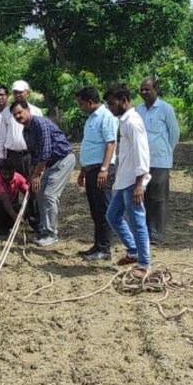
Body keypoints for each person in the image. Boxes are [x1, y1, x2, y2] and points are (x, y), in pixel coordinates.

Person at [11, 100, 76, 247]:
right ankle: (44, 229)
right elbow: (35, 154)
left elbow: (45, 152)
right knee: (39, 194)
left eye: (20, 112)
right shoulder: (25, 131)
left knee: (49, 195)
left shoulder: (40, 124)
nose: (18, 116)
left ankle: (51, 233)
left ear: (27, 109)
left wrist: (36, 174)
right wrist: (33, 174)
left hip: (62, 160)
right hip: (49, 164)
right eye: (15, 115)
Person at [105, 84, 152, 277]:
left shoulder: (133, 122)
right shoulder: (123, 121)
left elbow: (142, 153)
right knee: (112, 215)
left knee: (137, 221)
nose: (110, 108)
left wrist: (140, 184)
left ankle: (144, 263)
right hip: (124, 179)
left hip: (134, 181)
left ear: (124, 100)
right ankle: (133, 250)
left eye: (113, 104)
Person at [76, 86, 119, 261]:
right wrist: (82, 171)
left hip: (101, 170)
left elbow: (110, 143)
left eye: (81, 104)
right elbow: (89, 145)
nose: (80, 107)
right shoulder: (90, 118)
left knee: (103, 210)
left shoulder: (105, 116)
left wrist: (104, 169)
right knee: (95, 210)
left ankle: (105, 249)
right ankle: (97, 245)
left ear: (90, 102)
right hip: (91, 170)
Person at [136, 77, 180, 244]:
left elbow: (174, 134)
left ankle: (156, 234)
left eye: (147, 89)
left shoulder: (166, 109)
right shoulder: (138, 110)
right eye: (142, 89)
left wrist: (166, 151)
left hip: (160, 161)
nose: (144, 92)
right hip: (142, 161)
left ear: (156, 90)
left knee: (158, 198)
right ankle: (144, 232)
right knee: (143, 196)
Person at [0, 80, 43, 229]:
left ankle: (35, 223)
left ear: (27, 92)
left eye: (21, 92)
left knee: (32, 188)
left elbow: (41, 136)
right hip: (11, 155)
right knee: (11, 189)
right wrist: (2, 158)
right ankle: (12, 222)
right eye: (15, 92)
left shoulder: (36, 111)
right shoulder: (6, 113)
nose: (18, 95)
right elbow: (1, 137)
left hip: (29, 156)